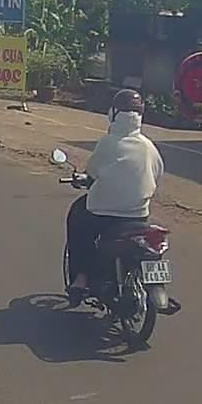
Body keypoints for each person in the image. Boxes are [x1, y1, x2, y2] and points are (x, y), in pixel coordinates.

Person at [66, 88, 165, 298]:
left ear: (113, 114)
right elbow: (157, 175)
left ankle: (81, 278)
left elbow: (92, 172)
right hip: (139, 215)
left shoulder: (108, 143)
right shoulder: (149, 147)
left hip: (103, 214)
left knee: (78, 220)